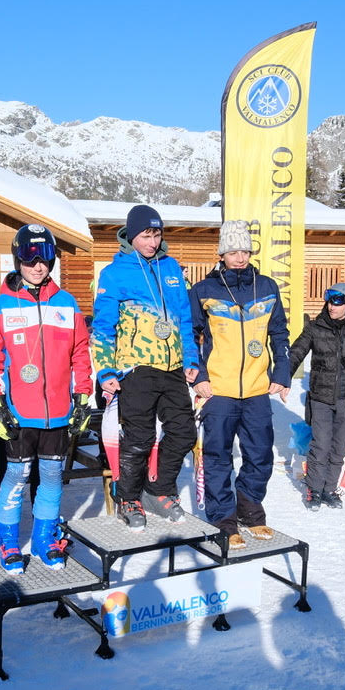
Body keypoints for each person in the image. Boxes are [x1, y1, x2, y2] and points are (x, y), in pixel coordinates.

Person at [0, 224, 91, 572]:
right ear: (18, 260)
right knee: (16, 475)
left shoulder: (67, 303)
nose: (37, 266)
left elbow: (80, 353)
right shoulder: (1, 306)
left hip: (58, 410)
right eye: (30, 259)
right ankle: (8, 539)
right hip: (19, 410)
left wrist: (83, 395)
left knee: (53, 475)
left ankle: (44, 538)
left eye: (44, 259)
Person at [91, 204, 199, 529]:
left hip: (172, 367)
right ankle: (128, 497)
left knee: (184, 432)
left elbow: (185, 320)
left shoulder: (171, 267)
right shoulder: (114, 273)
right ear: (131, 235)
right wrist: (105, 370)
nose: (152, 242)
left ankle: (158, 489)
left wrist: (191, 358)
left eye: (157, 235)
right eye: (146, 235)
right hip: (135, 367)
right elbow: (103, 327)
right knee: (139, 437)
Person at [189, 220, 290, 545]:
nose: (240, 257)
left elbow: (279, 332)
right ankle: (224, 519)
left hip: (257, 388)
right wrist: (199, 376)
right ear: (221, 254)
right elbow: (189, 335)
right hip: (218, 390)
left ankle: (249, 511)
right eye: (233, 251)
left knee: (260, 455)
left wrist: (282, 372)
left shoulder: (267, 286)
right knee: (218, 456)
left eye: (245, 250)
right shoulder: (204, 290)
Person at [288, 283, 345, 509]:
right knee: (321, 445)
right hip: (322, 397)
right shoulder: (316, 327)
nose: (331, 307)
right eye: (329, 302)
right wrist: (283, 378)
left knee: (339, 447)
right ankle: (314, 489)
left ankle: (329, 489)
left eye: (337, 303)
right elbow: (297, 352)